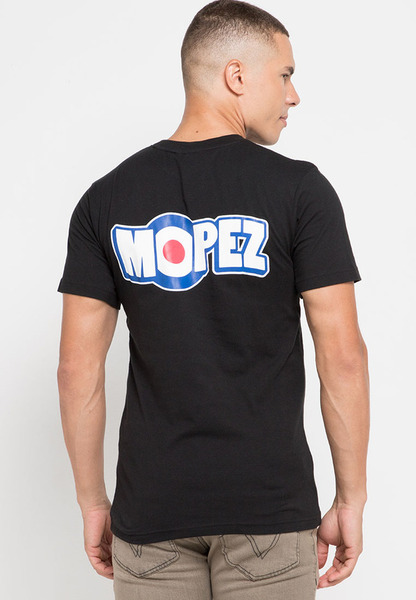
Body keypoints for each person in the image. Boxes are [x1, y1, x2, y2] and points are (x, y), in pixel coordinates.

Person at [57, 1, 370, 598]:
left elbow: (76, 370)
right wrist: (350, 498)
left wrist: (93, 502)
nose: (294, 95)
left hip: (151, 514)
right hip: (268, 510)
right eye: (285, 75)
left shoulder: (105, 199)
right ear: (237, 75)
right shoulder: (299, 191)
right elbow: (344, 358)